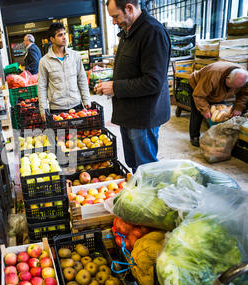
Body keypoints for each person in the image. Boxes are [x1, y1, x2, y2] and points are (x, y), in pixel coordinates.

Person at [94, 0, 171, 173]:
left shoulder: (153, 32)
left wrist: (115, 87)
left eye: (115, 16)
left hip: (143, 115)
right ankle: (139, 194)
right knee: (134, 162)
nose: (114, 22)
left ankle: (149, 197)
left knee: (146, 166)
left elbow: (153, 81)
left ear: (129, 8)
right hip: (129, 112)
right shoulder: (129, 31)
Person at [38, 22, 91, 121]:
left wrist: (86, 99)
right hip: (57, 109)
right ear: (52, 39)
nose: (64, 37)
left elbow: (82, 79)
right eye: (60, 35)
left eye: (64, 34)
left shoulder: (75, 56)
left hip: (76, 106)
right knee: (61, 136)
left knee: (79, 135)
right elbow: (42, 86)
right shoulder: (44, 61)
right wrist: (43, 109)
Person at [188, 62, 248, 147]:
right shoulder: (213, 74)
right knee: (198, 112)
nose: (234, 90)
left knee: (221, 113)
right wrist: (205, 109)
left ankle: (217, 136)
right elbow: (199, 95)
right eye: (232, 86)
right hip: (198, 86)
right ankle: (194, 136)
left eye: (236, 88)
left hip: (218, 91)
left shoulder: (244, 78)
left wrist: (238, 108)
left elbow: (244, 94)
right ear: (227, 78)